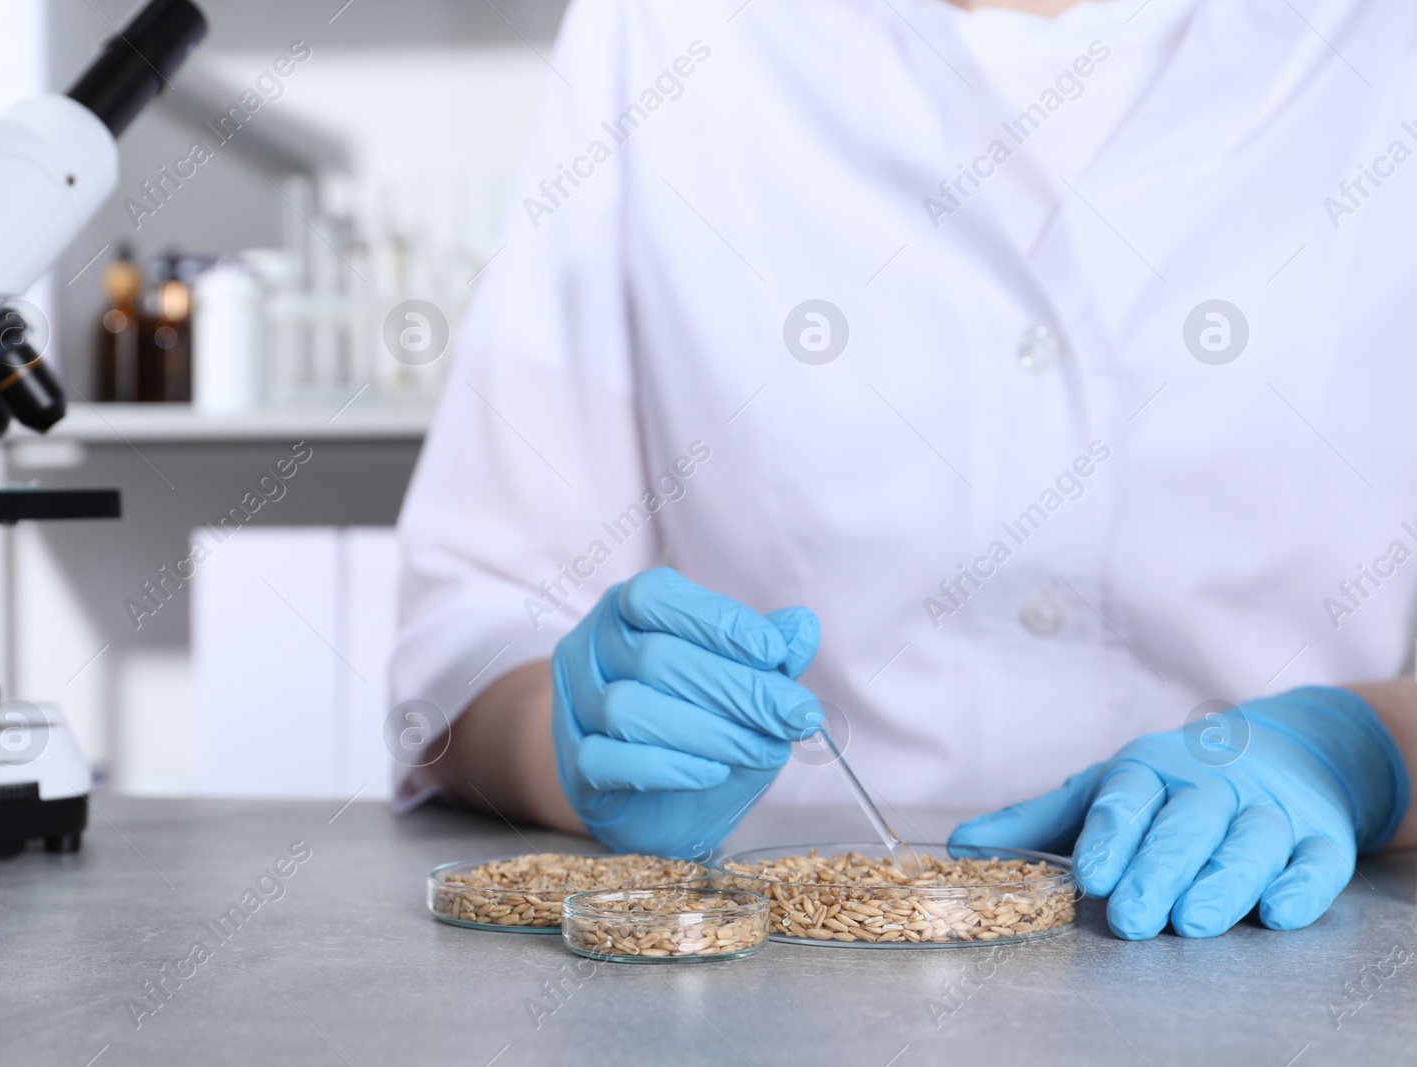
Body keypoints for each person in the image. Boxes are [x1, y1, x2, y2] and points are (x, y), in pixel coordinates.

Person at [390, 0, 1417, 940]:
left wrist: (1366, 752)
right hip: (780, 976)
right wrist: (573, 743)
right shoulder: (663, 28)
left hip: (1271, 950)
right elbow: (465, 631)